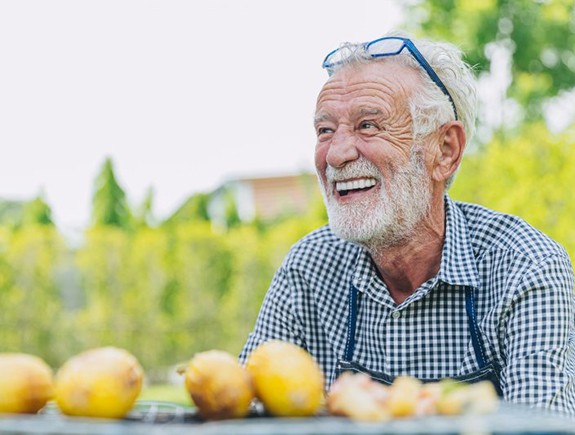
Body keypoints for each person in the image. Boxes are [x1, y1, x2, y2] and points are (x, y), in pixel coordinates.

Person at [239, 31, 575, 415]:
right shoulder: (309, 267)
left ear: (445, 151)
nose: (336, 154)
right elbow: (242, 410)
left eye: (368, 125)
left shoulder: (525, 266)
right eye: (325, 131)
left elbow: (539, 428)